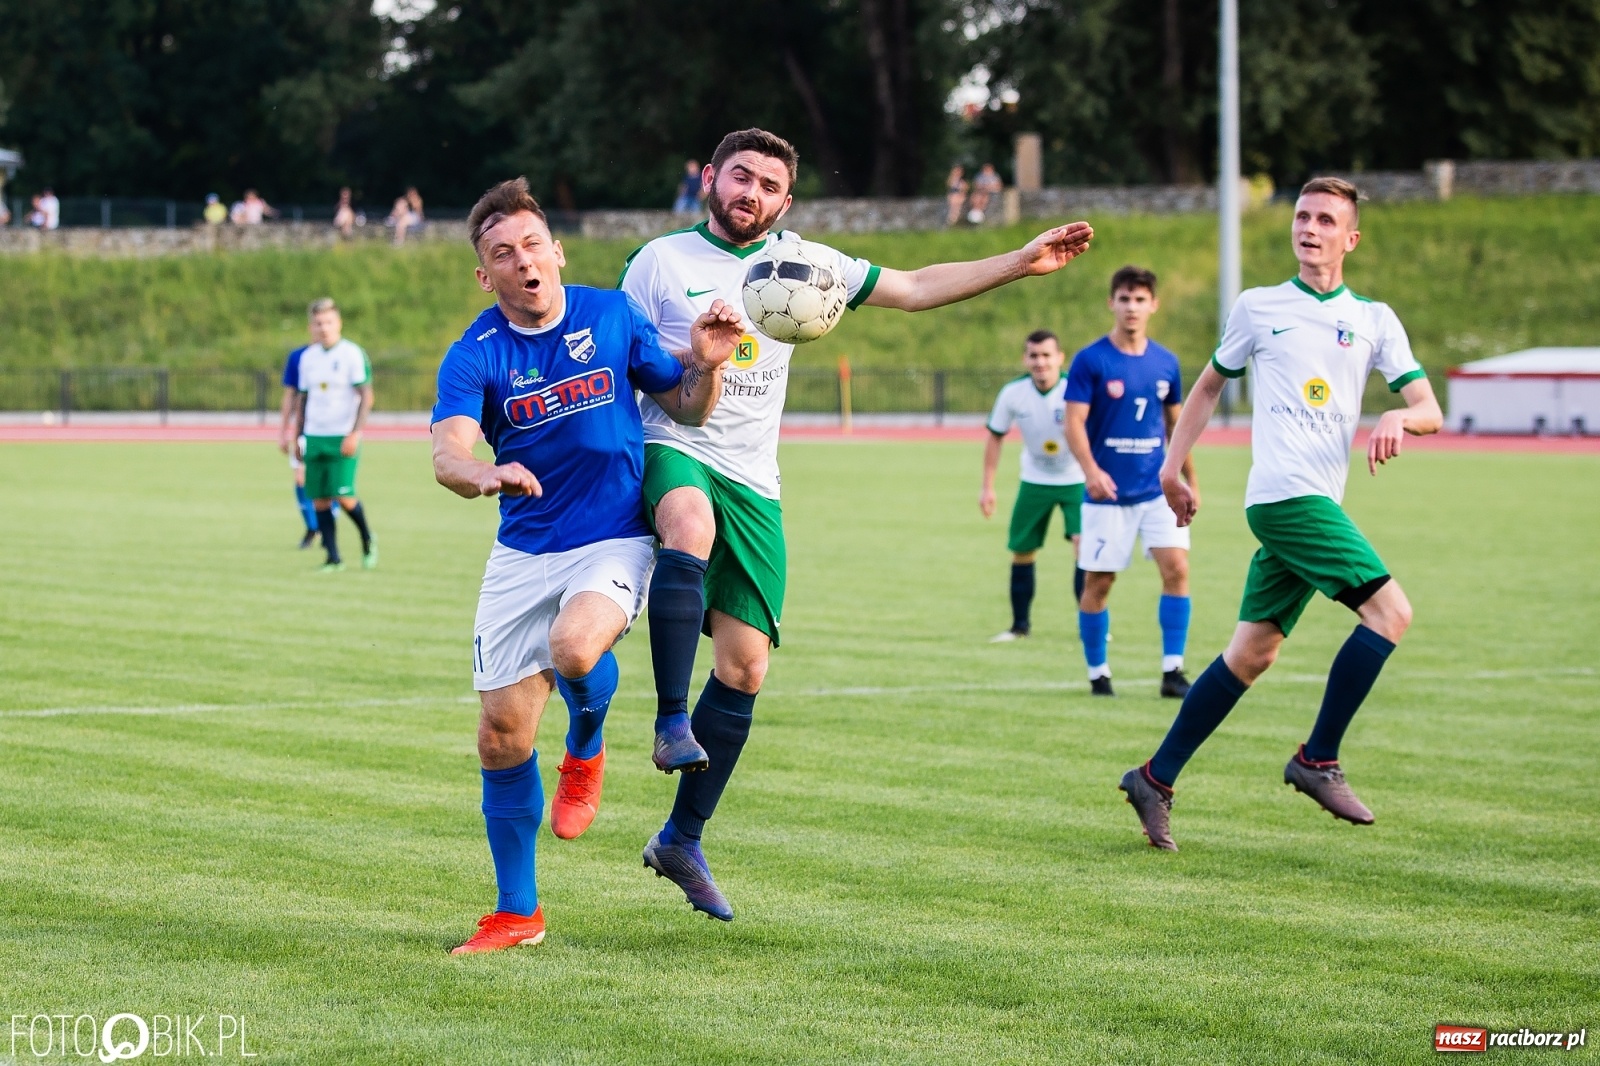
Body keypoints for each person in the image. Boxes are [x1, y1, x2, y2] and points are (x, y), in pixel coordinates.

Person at [619, 127, 1094, 921]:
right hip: (675, 443)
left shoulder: (805, 264)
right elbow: (614, 360)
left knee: (744, 671)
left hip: (756, 481)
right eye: (740, 177)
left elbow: (911, 286)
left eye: (770, 186)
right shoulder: (660, 262)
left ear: (787, 201)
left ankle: (681, 839)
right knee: (688, 525)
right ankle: (670, 720)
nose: (752, 194)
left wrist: (1019, 261)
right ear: (709, 177)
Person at [430, 177, 740, 954]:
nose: (523, 262)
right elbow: (449, 452)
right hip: (523, 548)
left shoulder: (609, 314)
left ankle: (588, 743)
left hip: (613, 537)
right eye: (503, 253)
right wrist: (482, 474)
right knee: (500, 736)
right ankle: (517, 913)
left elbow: (689, 405)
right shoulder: (476, 354)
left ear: (557, 252)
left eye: (533, 244)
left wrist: (709, 362)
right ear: (486, 274)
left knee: (575, 647)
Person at [1118, 177, 1442, 851]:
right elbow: (1207, 386)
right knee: (1392, 613)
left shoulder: (1375, 319)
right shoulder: (1260, 306)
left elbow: (1431, 409)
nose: (1310, 227)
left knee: (1251, 654)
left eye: (1326, 219)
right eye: (1302, 215)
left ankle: (1155, 777)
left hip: (1316, 501)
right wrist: (1170, 467)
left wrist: (1399, 416)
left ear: (1350, 238)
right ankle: (1317, 759)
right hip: (1283, 497)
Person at [1064, 266, 1196, 698]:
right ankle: (1098, 672)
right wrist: (1091, 472)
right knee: (1099, 583)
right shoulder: (1091, 359)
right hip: (1107, 495)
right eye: (1124, 298)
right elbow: (1074, 423)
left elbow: (1177, 426)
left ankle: (1172, 671)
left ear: (1153, 305)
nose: (1132, 307)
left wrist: (1188, 478)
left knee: (1176, 569)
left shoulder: (1166, 362)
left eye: (1140, 299)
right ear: (1112, 303)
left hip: (1156, 490)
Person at [980, 329, 1086, 642]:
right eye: (1034, 356)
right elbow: (995, 437)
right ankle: (1019, 627)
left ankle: (1088, 627)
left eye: (1046, 355)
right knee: (1022, 551)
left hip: (1076, 479)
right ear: (1025, 359)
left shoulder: (1075, 389)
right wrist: (988, 487)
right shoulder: (1013, 393)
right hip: (1034, 479)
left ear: (1060, 358)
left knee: (1085, 550)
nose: (1040, 362)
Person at [291, 298, 378, 572]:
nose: (324, 328)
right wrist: (297, 436)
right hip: (315, 435)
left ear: (338, 323)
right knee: (319, 498)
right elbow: (303, 399)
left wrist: (355, 433)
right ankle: (333, 557)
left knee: (343, 495)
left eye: (328, 322)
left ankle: (367, 538)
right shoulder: (307, 358)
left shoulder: (352, 354)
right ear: (311, 327)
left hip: (342, 435)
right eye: (318, 323)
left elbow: (366, 396)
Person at [277, 342, 321, 549]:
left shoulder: (346, 355)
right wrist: (284, 430)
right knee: (301, 476)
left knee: (328, 484)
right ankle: (313, 527)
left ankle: (325, 526)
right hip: (304, 427)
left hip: (332, 429)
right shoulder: (299, 357)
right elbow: (290, 395)